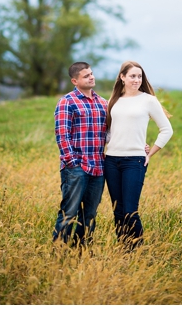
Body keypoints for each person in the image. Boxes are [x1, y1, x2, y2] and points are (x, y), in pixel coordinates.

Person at [104, 61, 173, 250]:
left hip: (134, 161)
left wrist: (150, 153)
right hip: (111, 161)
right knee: (117, 211)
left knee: (130, 211)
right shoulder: (113, 101)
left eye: (139, 76)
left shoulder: (148, 100)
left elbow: (166, 130)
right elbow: (110, 132)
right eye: (132, 76)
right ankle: (123, 250)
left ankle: (137, 251)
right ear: (122, 77)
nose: (136, 80)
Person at [53, 62, 108, 248]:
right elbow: (62, 135)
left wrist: (140, 145)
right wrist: (72, 163)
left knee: (90, 215)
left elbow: (112, 134)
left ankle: (81, 252)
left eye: (91, 73)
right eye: (86, 76)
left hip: (99, 169)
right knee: (69, 213)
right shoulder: (67, 102)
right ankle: (59, 253)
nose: (91, 77)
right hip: (76, 168)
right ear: (75, 81)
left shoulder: (103, 103)